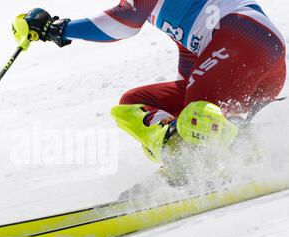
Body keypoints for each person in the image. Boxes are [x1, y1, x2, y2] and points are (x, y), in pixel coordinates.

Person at [18, 1, 286, 166]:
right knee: (134, 105)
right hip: (258, 57)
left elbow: (123, 23)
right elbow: (190, 54)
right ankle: (195, 159)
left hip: (243, 35)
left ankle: (246, 157)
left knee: (194, 116)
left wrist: (58, 29)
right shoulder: (167, 13)